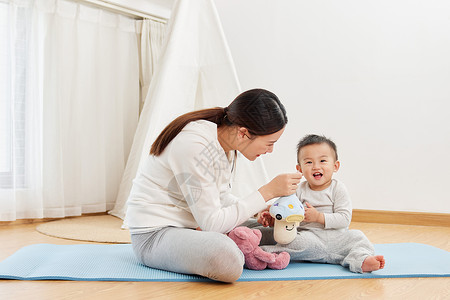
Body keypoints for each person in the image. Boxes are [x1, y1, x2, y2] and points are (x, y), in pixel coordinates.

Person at [125, 89, 302, 282]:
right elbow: (212, 223)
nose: (271, 150)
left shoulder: (225, 145)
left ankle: (256, 247)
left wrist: (258, 210)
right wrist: (267, 192)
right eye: (269, 143)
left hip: (193, 228)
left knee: (280, 233)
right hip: (155, 235)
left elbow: (219, 197)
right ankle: (246, 249)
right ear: (243, 133)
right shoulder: (194, 145)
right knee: (228, 259)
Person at [258, 134, 385, 273]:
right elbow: (288, 216)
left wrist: (319, 217)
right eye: (309, 162)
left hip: (338, 238)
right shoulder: (298, 190)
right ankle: (254, 245)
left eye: (323, 161)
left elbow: (344, 219)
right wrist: (274, 218)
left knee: (358, 237)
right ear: (299, 169)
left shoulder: (338, 188)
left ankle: (361, 260)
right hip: (308, 236)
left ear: (335, 166)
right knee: (290, 239)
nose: (316, 167)